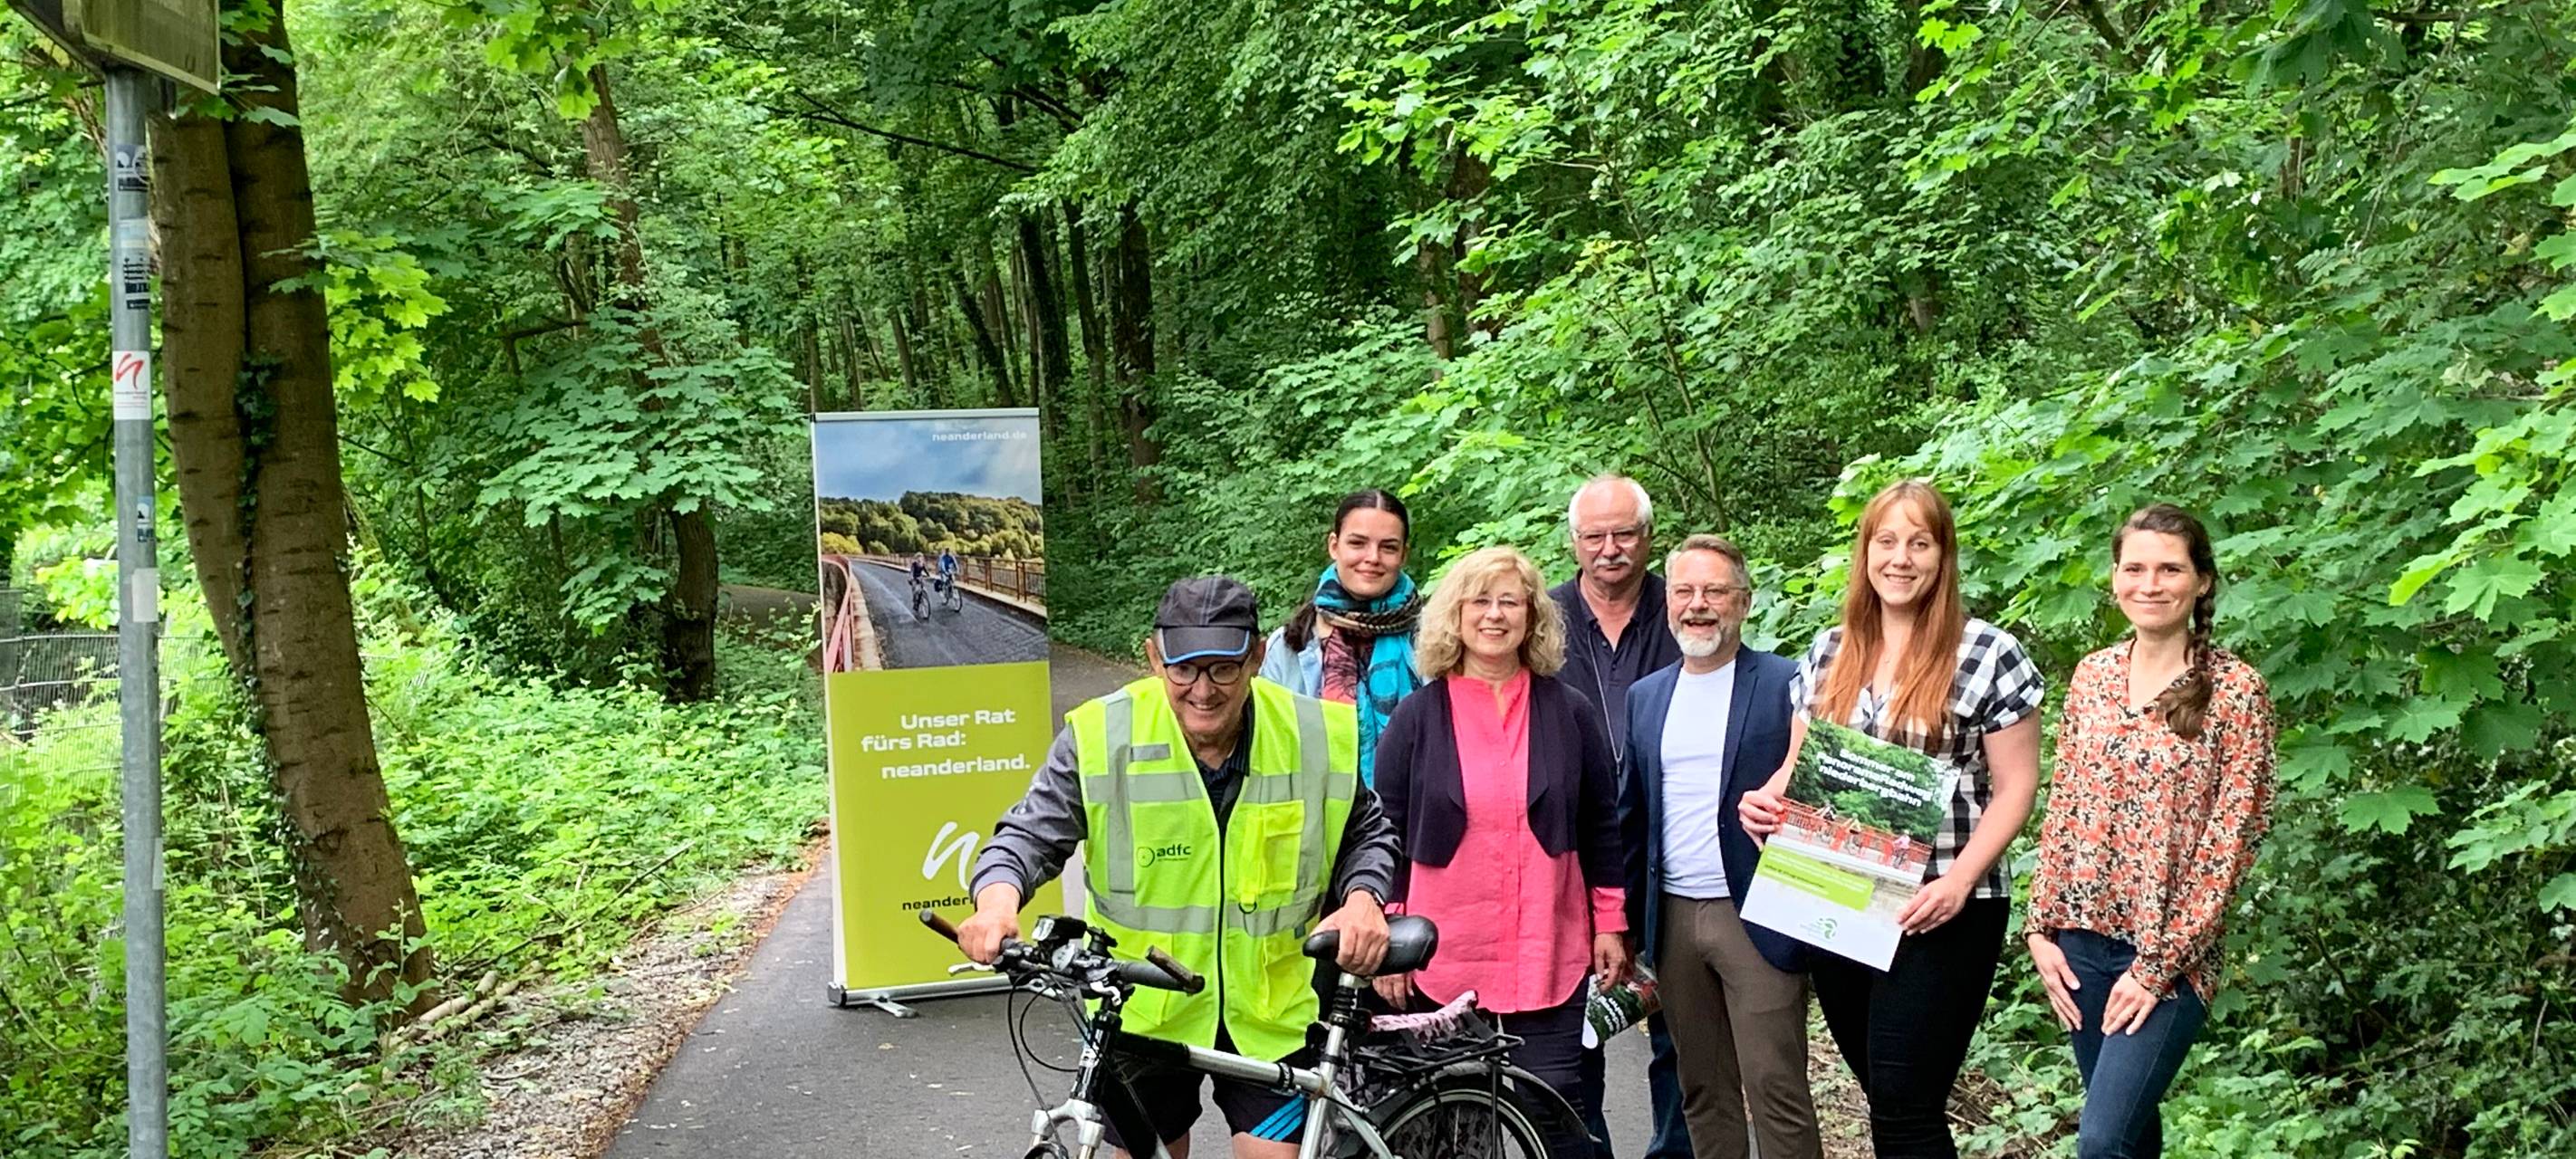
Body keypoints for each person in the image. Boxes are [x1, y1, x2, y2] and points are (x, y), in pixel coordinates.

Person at [961, 575, 1399, 1158]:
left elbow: (1367, 830)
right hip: (1144, 1009)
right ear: (1153, 657)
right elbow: (1028, 833)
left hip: (1267, 1011)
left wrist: (1364, 897)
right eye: (1183, 670)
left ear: (1257, 656)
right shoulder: (1102, 736)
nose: (1203, 690)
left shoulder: (1314, 733)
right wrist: (996, 902)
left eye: (1223, 668)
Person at [1741, 479, 2044, 1159]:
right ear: (1865, 551)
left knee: (1907, 1105)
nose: (1900, 558)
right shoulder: (1829, 650)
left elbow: (2017, 786)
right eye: (1886, 541)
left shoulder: (1989, 653)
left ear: (1943, 555)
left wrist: (1961, 881)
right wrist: (1765, 799)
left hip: (1941, 909)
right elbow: (1798, 766)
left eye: (1920, 542)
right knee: (1885, 1097)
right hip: (1840, 894)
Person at [2024, 504, 2276, 1158]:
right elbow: (2066, 806)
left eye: (2170, 569)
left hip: (2168, 958)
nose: (2151, 583)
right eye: (2135, 568)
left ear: (2202, 582)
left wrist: (2157, 967)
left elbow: (2232, 844)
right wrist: (2038, 927)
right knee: (2131, 1138)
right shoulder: (2092, 676)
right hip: (2079, 945)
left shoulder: (2236, 691)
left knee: (2101, 1143)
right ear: (2115, 579)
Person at [1370, 546, 1631, 1159]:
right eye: (1479, 601)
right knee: (1446, 1126)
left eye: (1509, 601)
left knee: (1559, 1109)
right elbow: (1386, 833)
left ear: (1532, 616)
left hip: (1550, 950)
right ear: (1454, 616)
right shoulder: (1415, 717)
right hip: (1443, 960)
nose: (1494, 615)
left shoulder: (1569, 711)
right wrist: (1390, 942)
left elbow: (1601, 823)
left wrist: (1611, 923)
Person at [1618, 534, 1821, 1159]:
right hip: (1673, 919)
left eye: (1714, 591)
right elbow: (1631, 815)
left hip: (1758, 913)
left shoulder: (1788, 682)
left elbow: (1821, 797)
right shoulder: (1646, 696)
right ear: (1668, 601)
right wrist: (1623, 925)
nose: (1697, 605)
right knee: (1700, 1087)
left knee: (1775, 1086)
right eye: (1684, 591)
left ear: (1745, 602)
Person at [1550, 474, 1690, 1159]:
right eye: (1595, 536)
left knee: (1682, 1032)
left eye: (1624, 533)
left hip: (1675, 852)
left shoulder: (1685, 609)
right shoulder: (1540, 619)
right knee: (1574, 1037)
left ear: (1648, 537)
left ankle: (1673, 1151)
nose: (1610, 549)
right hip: (1569, 860)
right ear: (1574, 542)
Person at [1260, 489, 1423, 783]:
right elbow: (1267, 744)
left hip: (1414, 813)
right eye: (1357, 543)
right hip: (1319, 814)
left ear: (1404, 555)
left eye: (1388, 547)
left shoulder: (1434, 639)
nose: (1372, 558)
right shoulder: (1289, 646)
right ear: (1334, 546)